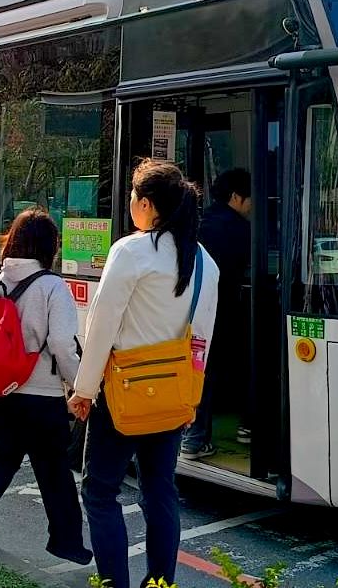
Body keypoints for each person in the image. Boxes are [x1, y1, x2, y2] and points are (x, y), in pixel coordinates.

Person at [68, 159, 219, 588]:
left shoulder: (131, 251)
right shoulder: (205, 262)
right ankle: (160, 583)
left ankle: (114, 582)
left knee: (100, 491)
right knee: (160, 491)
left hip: (122, 393)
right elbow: (200, 339)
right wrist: (191, 398)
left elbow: (102, 325)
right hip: (173, 396)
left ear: (147, 204)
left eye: (133, 197)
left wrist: (83, 389)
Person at [0, 208, 91, 564]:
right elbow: (61, 344)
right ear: (49, 246)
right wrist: (80, 386)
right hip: (43, 397)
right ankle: (66, 543)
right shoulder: (52, 286)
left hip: (4, 393)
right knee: (55, 473)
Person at [182, 168, 252, 459]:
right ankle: (246, 425)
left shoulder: (198, 223)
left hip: (195, 309)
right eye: (249, 199)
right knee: (245, 363)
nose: (251, 206)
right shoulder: (240, 228)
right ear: (236, 197)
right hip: (227, 309)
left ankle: (194, 436)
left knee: (203, 368)